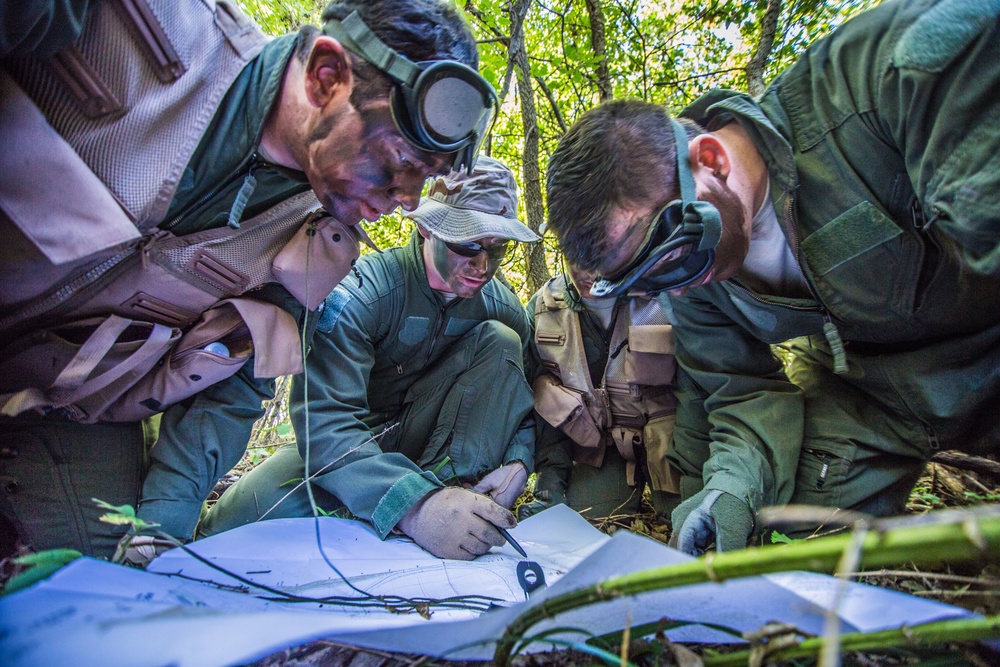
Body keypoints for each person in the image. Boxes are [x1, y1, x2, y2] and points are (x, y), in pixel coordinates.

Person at [0, 0, 498, 560]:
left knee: (83, 592)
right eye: (396, 162)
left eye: (423, 180)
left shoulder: (315, 243)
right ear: (325, 75)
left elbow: (231, 388)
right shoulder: (143, 26)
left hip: (65, 408)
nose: (406, 200)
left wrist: (162, 527)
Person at [544, 0, 1000, 556]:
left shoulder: (893, 75)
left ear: (708, 159)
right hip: (875, 394)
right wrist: (728, 493)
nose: (679, 290)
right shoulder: (690, 277)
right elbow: (742, 392)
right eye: (647, 283)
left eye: (672, 256)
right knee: (785, 539)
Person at [199, 156, 540, 561]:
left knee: (502, 342)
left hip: (440, 445)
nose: (482, 266)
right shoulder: (365, 292)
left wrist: (519, 461)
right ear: (426, 227)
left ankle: (457, 501)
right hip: (354, 452)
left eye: (497, 249)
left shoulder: (503, 309)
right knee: (222, 533)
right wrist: (415, 506)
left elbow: (527, 392)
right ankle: (423, 510)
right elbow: (326, 421)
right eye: (466, 244)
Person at [518, 262, 681, 523]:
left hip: (672, 446)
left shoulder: (670, 295)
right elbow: (547, 411)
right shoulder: (542, 311)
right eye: (578, 256)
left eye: (602, 255)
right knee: (588, 524)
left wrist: (703, 477)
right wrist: (550, 487)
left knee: (687, 521)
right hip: (602, 450)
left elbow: (703, 396)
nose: (590, 270)